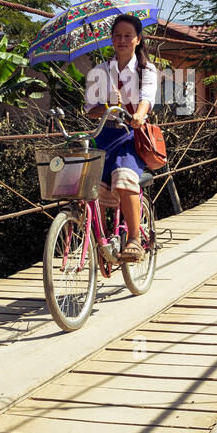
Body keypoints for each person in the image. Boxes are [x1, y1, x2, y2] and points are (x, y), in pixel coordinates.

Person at [84, 14, 158, 263]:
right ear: (111, 39)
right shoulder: (99, 71)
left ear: (138, 39)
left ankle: (135, 239)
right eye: (117, 35)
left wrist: (137, 114)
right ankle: (102, 242)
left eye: (128, 36)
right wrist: (107, 105)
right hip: (105, 134)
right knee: (89, 185)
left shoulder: (146, 69)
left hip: (132, 136)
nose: (122, 40)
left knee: (124, 177)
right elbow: (90, 109)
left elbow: (146, 97)